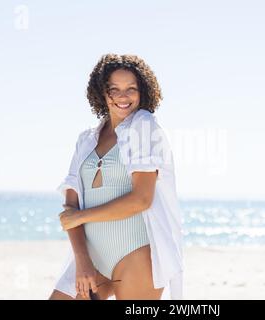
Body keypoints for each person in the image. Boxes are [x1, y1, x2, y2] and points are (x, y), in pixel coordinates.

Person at [48, 53, 183, 300]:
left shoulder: (143, 127)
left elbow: (142, 199)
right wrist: (82, 260)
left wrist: (81, 216)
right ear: (102, 93)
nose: (123, 96)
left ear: (142, 92)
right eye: (114, 89)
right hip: (92, 255)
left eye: (131, 89)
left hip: (137, 251)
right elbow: (70, 205)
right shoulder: (86, 139)